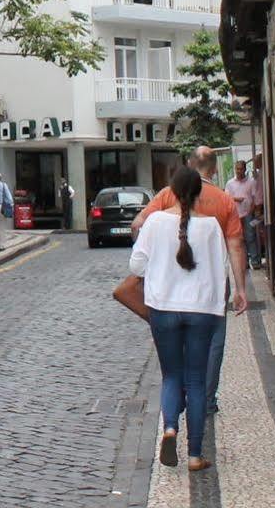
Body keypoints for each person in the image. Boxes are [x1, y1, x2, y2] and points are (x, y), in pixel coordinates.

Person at [112, 167, 248, 470]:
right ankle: (195, 455)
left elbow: (137, 266)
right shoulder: (212, 226)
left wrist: (160, 268)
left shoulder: (155, 222)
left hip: (164, 308)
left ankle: (170, 428)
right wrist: (219, 307)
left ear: (171, 191)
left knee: (171, 375)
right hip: (201, 310)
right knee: (197, 381)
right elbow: (219, 269)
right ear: (199, 193)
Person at [134, 147, 245, 413]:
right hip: (212, 284)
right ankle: (206, 399)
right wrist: (240, 288)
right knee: (213, 342)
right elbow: (236, 245)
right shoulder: (225, 200)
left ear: (188, 165)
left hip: (170, 284)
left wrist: (150, 258)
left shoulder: (166, 195)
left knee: (176, 343)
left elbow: (138, 224)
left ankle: (177, 398)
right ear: (214, 169)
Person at [227, 160, 261, 266]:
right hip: (235, 215)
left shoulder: (251, 182)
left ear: (245, 169)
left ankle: (255, 261)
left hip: (248, 214)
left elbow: (255, 198)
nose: (238, 171)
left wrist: (252, 210)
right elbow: (226, 198)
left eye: (241, 169)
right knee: (239, 239)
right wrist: (236, 199)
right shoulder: (230, 183)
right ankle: (244, 262)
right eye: (237, 169)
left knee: (250, 237)